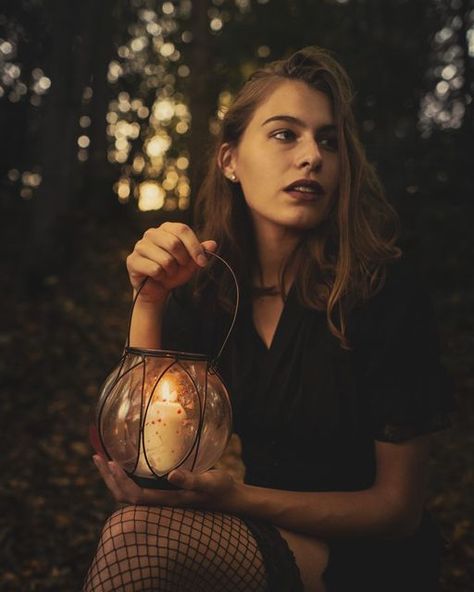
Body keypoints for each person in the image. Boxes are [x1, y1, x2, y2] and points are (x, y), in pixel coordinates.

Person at [83, 46, 453, 592]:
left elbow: (398, 510)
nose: (312, 157)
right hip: (258, 533)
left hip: (371, 558)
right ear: (230, 160)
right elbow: (147, 453)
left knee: (135, 540)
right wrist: (153, 299)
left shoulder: (382, 291)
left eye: (328, 140)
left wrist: (241, 499)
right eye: (285, 134)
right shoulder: (210, 288)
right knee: (135, 533)